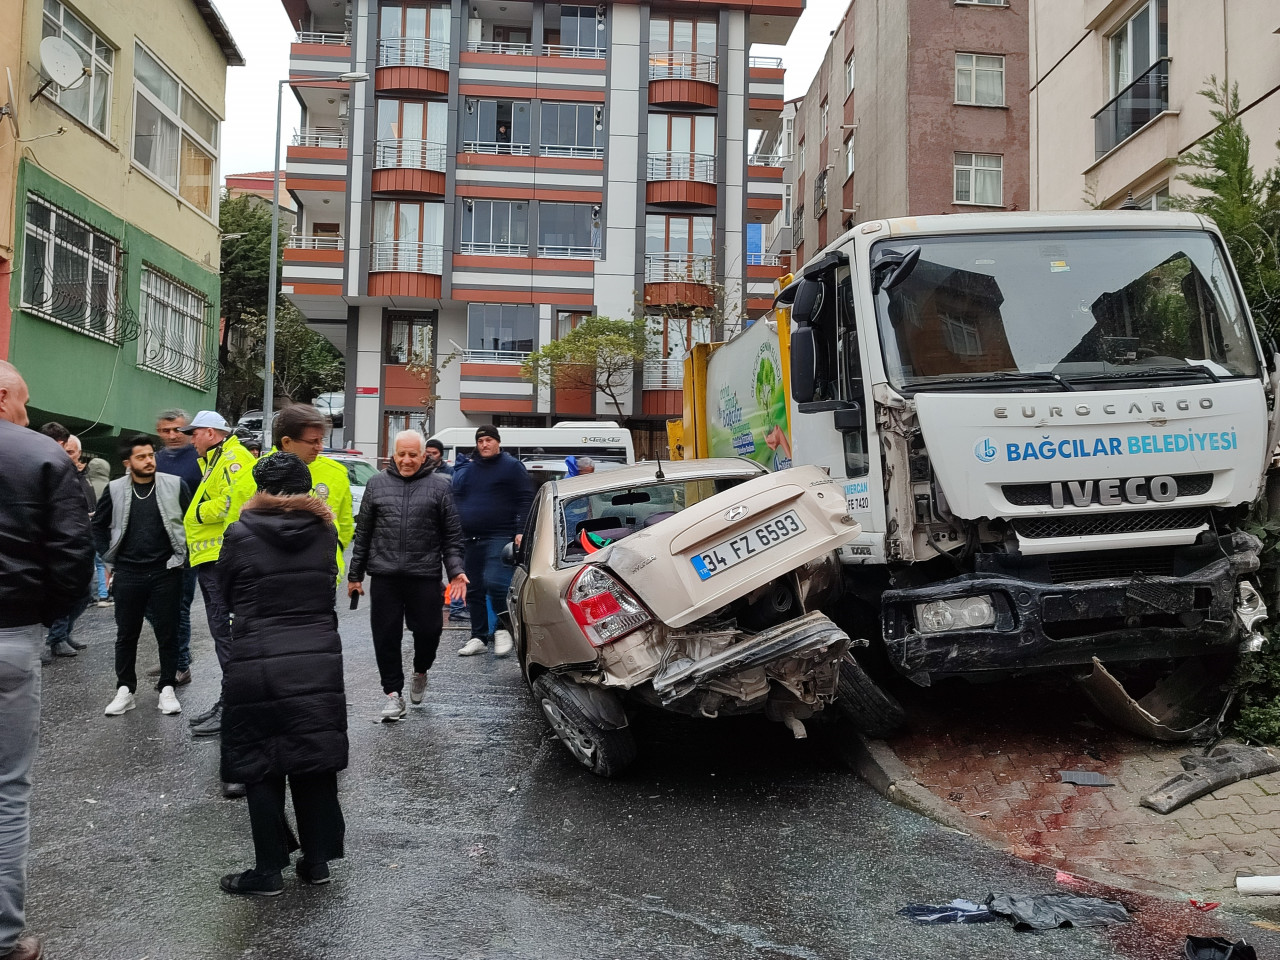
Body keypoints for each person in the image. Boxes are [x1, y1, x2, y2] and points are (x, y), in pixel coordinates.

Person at [217, 453, 348, 896]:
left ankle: (268, 871)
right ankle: (317, 863)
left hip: (258, 657)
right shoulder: (325, 531)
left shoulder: (239, 532)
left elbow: (227, 592)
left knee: (260, 761)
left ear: (261, 492)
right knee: (313, 757)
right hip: (317, 656)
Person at [0, 360, 94, 960]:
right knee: (7, 789)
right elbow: (71, 555)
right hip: (11, 634)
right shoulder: (40, 455)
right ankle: (5, 937)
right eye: (23, 401)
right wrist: (48, 615)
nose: (27, 414)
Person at [347, 431, 467, 719]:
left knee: (429, 631)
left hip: (424, 574)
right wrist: (355, 575)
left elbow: (451, 537)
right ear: (393, 454)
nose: (406, 460)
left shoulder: (440, 487)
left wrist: (456, 572)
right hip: (385, 576)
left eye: (413, 454)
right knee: (385, 636)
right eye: (401, 454)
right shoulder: (376, 484)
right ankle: (393, 694)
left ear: (424, 456)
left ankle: (421, 670)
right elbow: (363, 533)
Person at [92, 435, 191, 718]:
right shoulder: (114, 489)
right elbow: (98, 526)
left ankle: (167, 688)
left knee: (168, 632)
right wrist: (110, 558)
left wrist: (184, 558)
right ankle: (125, 689)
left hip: (166, 570)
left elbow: (189, 521)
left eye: (151, 455)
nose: (149, 461)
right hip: (128, 572)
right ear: (127, 463)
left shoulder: (174, 485)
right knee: (126, 634)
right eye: (141, 457)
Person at [181, 411, 255, 750]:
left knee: (227, 636)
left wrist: (196, 513)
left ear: (210, 432)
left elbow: (234, 504)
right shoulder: (216, 459)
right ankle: (231, 703)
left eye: (194, 433)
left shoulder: (233, 458)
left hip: (223, 562)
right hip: (214, 561)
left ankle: (234, 708)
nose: (190, 439)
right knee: (222, 635)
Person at [225, 404, 354, 576]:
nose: (320, 447)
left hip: (318, 584)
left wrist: (329, 558)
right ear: (287, 442)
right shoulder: (249, 477)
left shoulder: (336, 474)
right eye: (313, 441)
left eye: (321, 440)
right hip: (265, 584)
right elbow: (233, 532)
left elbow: (344, 527)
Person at [451, 425, 532, 658]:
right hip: (470, 536)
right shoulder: (470, 469)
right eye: (480, 441)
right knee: (473, 588)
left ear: (497, 442)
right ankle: (478, 636)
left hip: (500, 534)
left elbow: (525, 499)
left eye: (488, 440)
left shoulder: (511, 466)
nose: (484, 444)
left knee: (496, 583)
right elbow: (458, 498)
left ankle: (504, 629)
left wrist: (521, 530)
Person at [152, 410, 202, 684]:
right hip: (154, 545)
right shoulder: (155, 460)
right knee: (150, 604)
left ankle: (180, 663)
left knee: (178, 606)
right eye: (165, 430)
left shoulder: (200, 460)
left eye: (177, 430)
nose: (171, 435)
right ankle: (171, 655)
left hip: (187, 545)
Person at [40, 431, 95, 663]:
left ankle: (65, 633)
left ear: (79, 454)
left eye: (70, 451)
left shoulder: (80, 476)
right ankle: (57, 637)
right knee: (64, 590)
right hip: (58, 543)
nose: (65, 455)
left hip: (82, 541)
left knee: (84, 594)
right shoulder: (51, 474)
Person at [87, 455, 112, 605]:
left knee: (89, 564)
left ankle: (88, 597)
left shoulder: (85, 485)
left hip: (85, 529)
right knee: (103, 563)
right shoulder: (110, 486)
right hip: (105, 531)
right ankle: (104, 595)